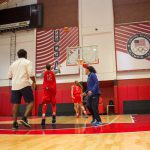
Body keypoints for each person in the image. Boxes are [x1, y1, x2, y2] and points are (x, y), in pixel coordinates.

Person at [8, 49, 36, 130]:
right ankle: (24, 118)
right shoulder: (27, 62)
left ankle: (14, 124)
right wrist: (34, 82)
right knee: (31, 101)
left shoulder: (13, 64)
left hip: (14, 86)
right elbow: (31, 74)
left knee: (15, 104)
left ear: (18, 55)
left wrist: (16, 77)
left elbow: (9, 77)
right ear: (26, 55)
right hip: (24, 84)